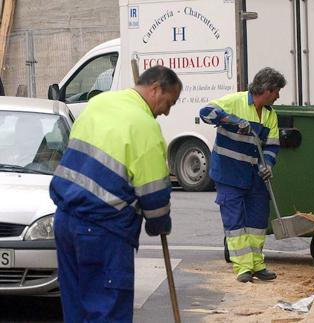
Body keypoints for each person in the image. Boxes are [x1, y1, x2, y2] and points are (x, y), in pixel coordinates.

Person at [49, 65, 182, 322]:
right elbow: (155, 198)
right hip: (103, 231)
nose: (166, 111)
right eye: (170, 102)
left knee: (76, 309)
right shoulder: (145, 127)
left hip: (65, 221)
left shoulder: (100, 103)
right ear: (155, 89)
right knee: (107, 311)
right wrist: (159, 225)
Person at [199, 67, 286, 283]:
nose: (278, 96)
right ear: (267, 89)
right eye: (277, 92)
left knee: (258, 221)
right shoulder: (235, 101)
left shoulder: (270, 115)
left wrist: (268, 164)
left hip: (255, 176)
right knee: (235, 222)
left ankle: (257, 264)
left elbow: (272, 146)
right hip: (229, 174)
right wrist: (232, 120)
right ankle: (242, 268)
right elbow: (205, 113)